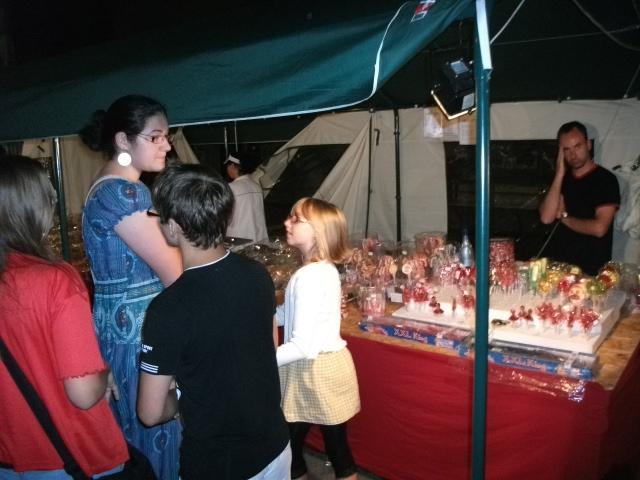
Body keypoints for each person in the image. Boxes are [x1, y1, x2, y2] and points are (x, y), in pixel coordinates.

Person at [137, 164, 291, 479]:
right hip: (275, 446)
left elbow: (149, 413)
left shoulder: (167, 308)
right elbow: (267, 353)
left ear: (174, 226)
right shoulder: (258, 275)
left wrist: (179, 395)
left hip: (219, 463)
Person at [0, 155, 129, 478]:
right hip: (70, 454)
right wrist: (104, 373)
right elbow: (83, 394)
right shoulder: (54, 280)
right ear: (34, 208)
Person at [79, 95, 183, 480]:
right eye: (155, 137)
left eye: (167, 136)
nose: (166, 145)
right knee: (155, 437)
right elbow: (176, 273)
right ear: (123, 140)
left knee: (133, 438)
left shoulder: (108, 187)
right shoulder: (123, 193)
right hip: (138, 333)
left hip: (118, 329)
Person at [276, 197, 361, 480]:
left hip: (314, 369)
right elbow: (286, 314)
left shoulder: (309, 276)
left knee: (292, 446)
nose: (287, 222)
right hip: (321, 367)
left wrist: (258, 360)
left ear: (318, 231)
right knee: (334, 448)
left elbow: (301, 346)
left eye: (296, 219)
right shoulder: (321, 269)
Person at [539, 121, 620, 275]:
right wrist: (559, 173)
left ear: (588, 145)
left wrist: (563, 217)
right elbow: (546, 218)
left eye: (577, 146)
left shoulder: (606, 180)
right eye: (566, 149)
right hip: (559, 269)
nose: (573, 155)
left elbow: (599, 228)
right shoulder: (561, 180)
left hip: (590, 271)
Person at [225, 152, 268, 242]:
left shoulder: (231, 187)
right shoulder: (257, 186)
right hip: (259, 237)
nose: (227, 169)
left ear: (232, 166)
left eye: (227, 166)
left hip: (238, 239)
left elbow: (226, 216)